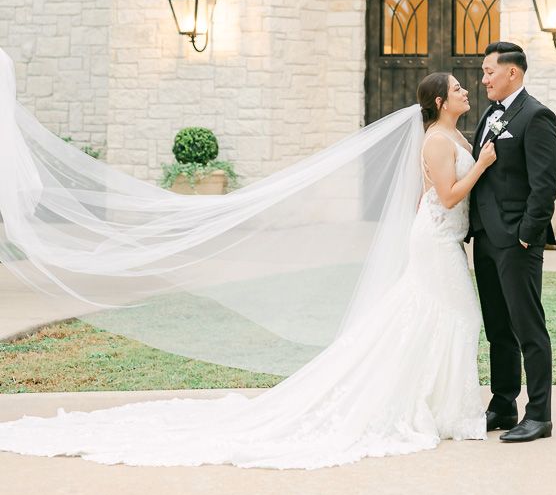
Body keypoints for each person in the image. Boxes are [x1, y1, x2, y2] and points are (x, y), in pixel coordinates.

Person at [0, 72, 497, 469]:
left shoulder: (450, 133)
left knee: (442, 316)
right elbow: (449, 193)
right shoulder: (436, 138)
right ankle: (441, 408)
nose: (464, 90)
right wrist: (484, 164)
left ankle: (440, 403)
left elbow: (423, 195)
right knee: (446, 315)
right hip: (436, 240)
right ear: (437, 101)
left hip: (438, 236)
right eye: (455, 87)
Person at [469, 41, 556, 443]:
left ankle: (539, 414)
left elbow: (545, 187)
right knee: (497, 329)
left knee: (528, 328)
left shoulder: (536, 116)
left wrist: (526, 236)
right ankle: (503, 403)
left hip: (516, 243)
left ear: (513, 73)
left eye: (489, 71)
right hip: (486, 238)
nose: (483, 79)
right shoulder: (491, 114)